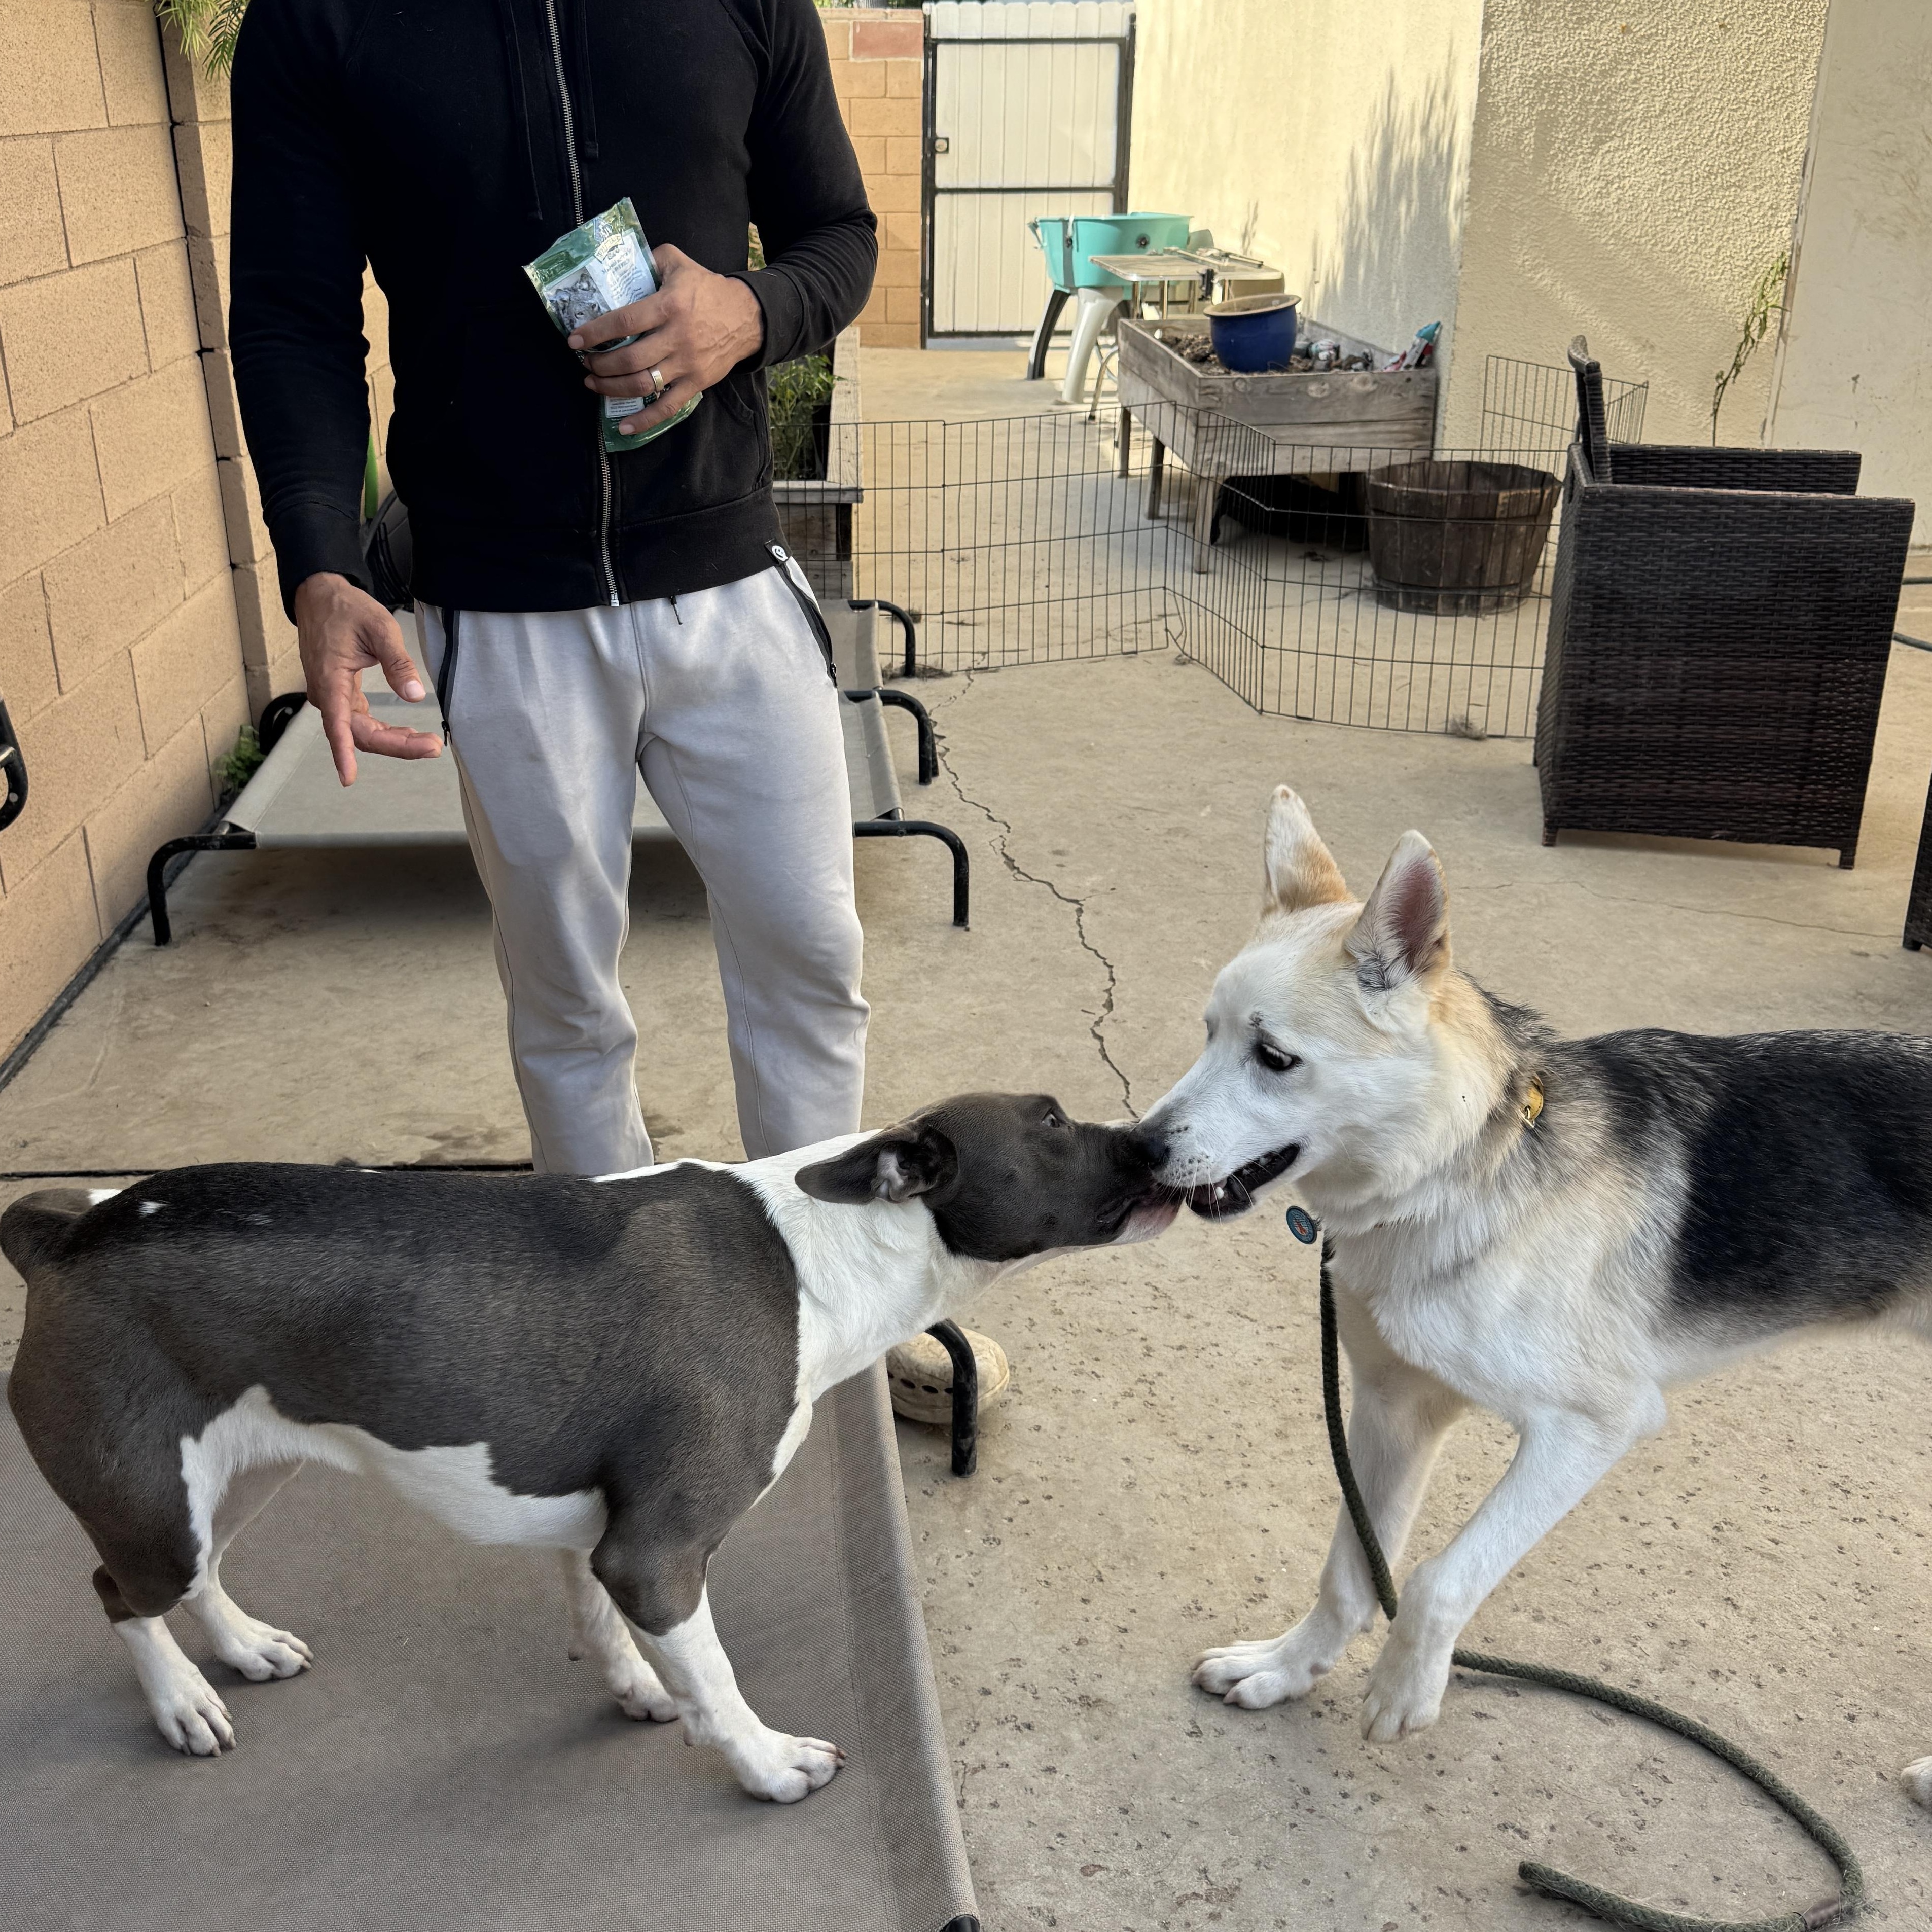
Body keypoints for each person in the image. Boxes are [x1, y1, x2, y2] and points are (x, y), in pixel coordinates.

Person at [228, 0, 877, 1176]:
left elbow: (838, 234)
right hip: (502, 612)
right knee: (566, 1013)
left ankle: (834, 1346)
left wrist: (750, 311)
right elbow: (292, 317)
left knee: (813, 975)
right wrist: (319, 559)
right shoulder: (319, 21)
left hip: (728, 583)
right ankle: (622, 1341)